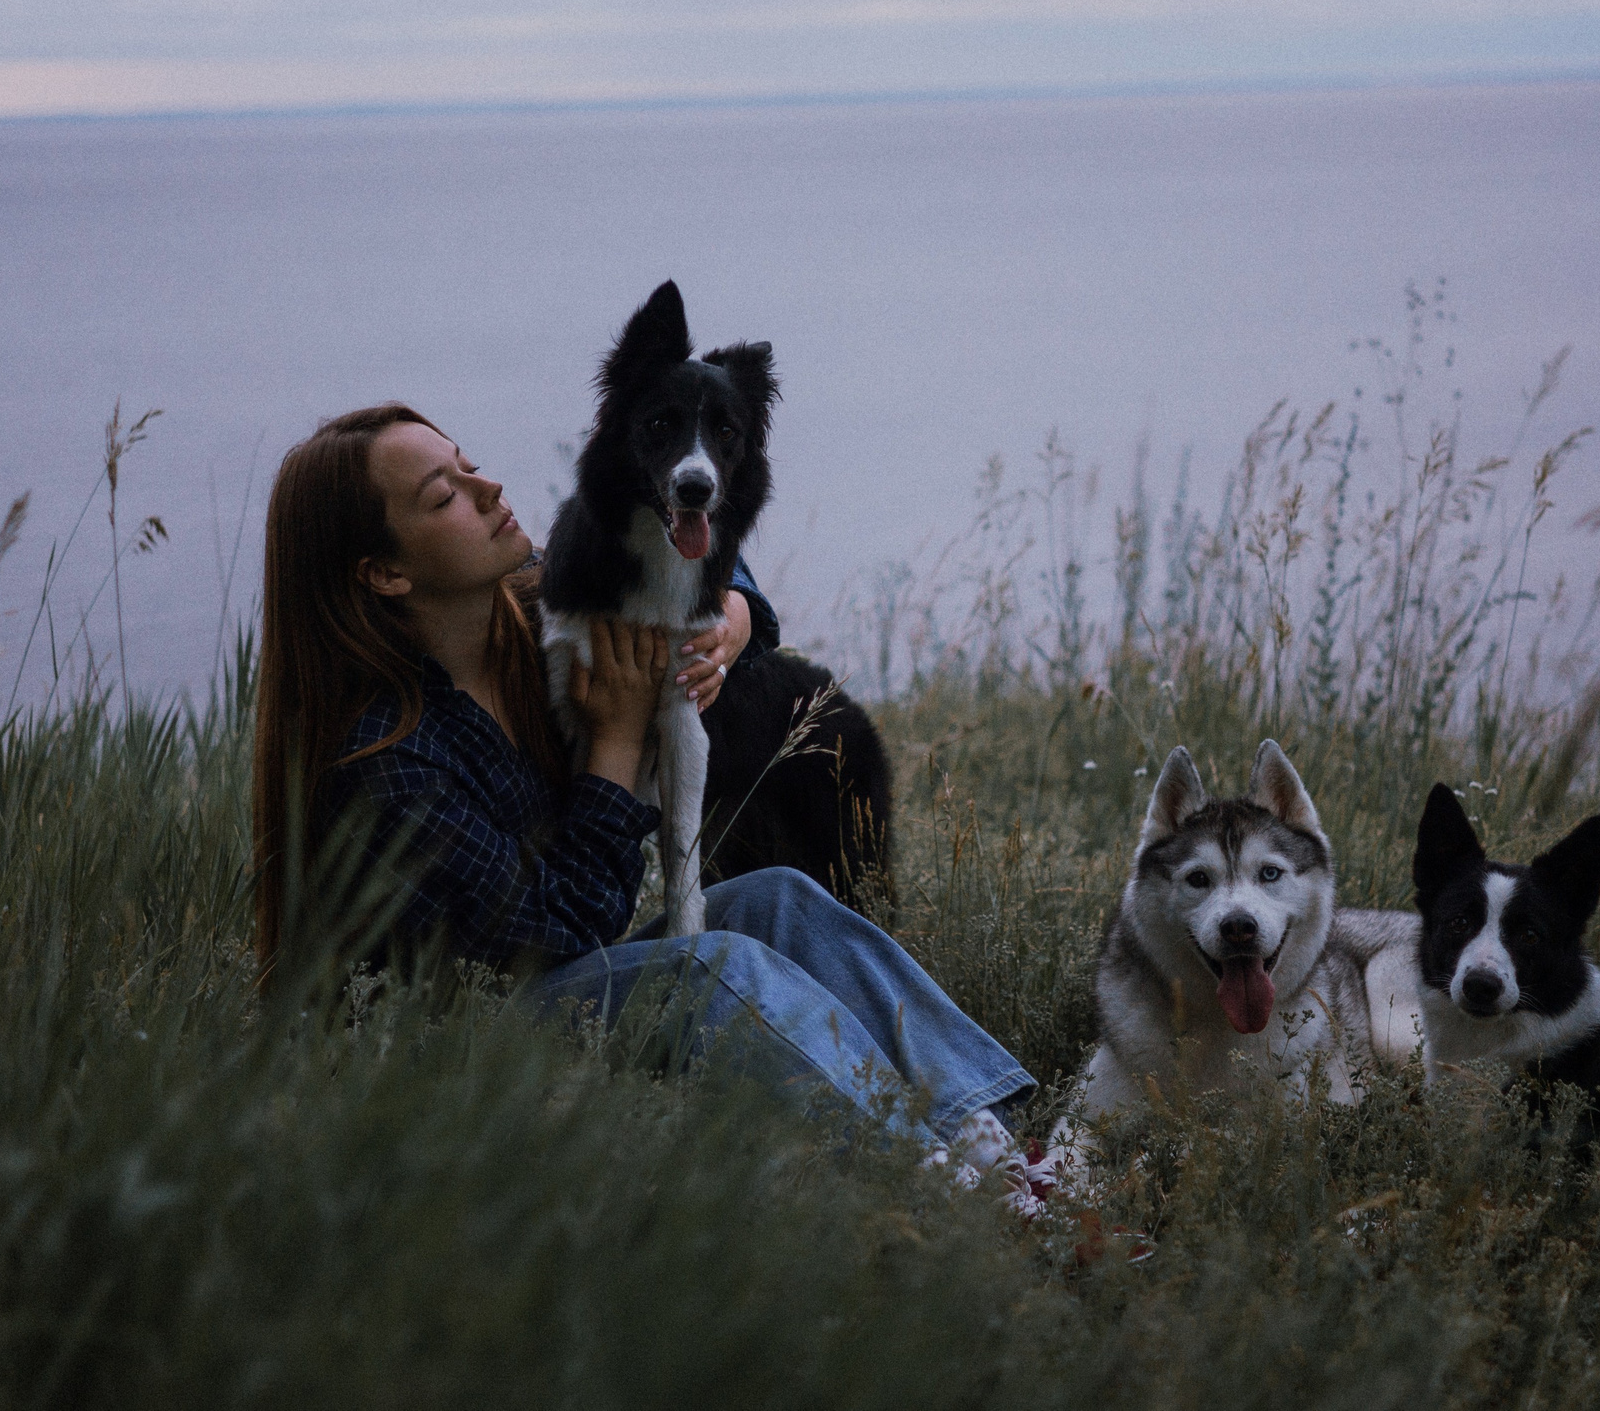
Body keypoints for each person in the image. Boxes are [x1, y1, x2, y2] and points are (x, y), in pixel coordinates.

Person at [251, 403, 1037, 1194]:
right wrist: (618, 740)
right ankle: (935, 1185)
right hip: (457, 1064)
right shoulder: (388, 761)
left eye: (468, 462)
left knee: (777, 903)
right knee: (708, 969)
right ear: (385, 573)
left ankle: (996, 1145)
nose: (487, 487)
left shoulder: (530, 613)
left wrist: (728, 614)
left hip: (557, 994)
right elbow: (565, 932)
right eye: (443, 495)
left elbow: (682, 553)